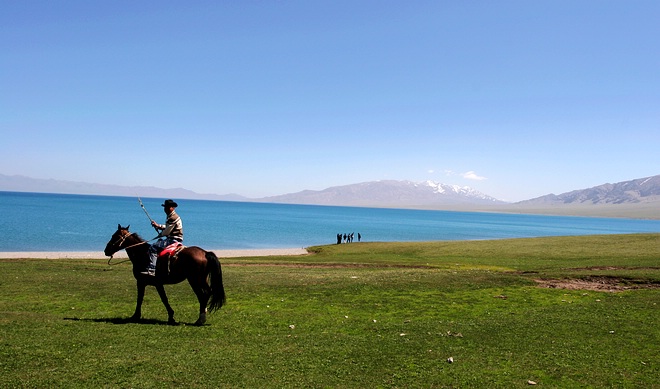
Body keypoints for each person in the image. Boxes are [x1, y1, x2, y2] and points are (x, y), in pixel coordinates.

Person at [142, 199, 184, 276]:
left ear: (172, 208)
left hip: (173, 239)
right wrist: (158, 226)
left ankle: (152, 269)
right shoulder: (171, 216)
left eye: (167, 207)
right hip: (175, 238)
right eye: (165, 207)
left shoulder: (173, 217)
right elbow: (167, 227)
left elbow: (167, 231)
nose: (165, 209)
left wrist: (160, 235)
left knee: (153, 247)